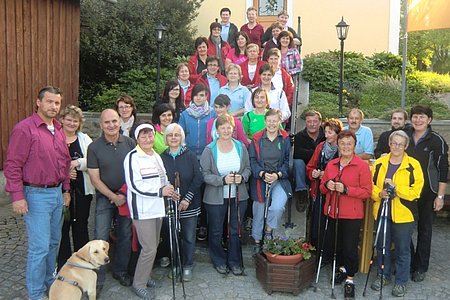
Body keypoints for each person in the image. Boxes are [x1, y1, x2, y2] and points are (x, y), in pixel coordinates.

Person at [4, 86, 71, 300]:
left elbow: (65, 161)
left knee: (53, 244)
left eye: (57, 103)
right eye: (49, 102)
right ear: (38, 102)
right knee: (39, 248)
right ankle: (36, 294)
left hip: (56, 193)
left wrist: (66, 189)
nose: (54, 106)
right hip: (35, 195)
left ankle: (49, 284)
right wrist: (17, 196)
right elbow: (12, 164)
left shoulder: (58, 128)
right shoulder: (25, 129)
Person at [123, 123, 180, 299]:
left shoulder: (155, 155)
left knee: (153, 246)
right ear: (137, 139)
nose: (147, 139)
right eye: (143, 136)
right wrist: (159, 192)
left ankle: (145, 277)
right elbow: (134, 185)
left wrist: (170, 190)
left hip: (157, 208)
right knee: (148, 248)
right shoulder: (132, 157)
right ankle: (138, 284)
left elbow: (163, 178)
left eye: (150, 136)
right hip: (142, 210)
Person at [319, 130, 372, 300]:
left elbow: (367, 192)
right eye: (342, 143)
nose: (346, 146)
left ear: (355, 145)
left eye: (349, 143)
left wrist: (347, 189)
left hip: (352, 213)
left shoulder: (361, 165)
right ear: (338, 145)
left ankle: (350, 279)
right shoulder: (332, 164)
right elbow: (321, 187)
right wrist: (328, 184)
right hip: (333, 211)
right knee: (337, 245)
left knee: (350, 247)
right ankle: (342, 269)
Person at [371, 130, 424, 297]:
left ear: (406, 146)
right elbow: (370, 185)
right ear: (389, 144)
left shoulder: (413, 165)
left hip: (404, 214)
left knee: (402, 249)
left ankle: (401, 282)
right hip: (382, 210)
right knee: (382, 246)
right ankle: (383, 275)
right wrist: (379, 193)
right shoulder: (379, 163)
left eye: (400, 144)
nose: (396, 147)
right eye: (394, 143)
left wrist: (396, 188)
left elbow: (416, 192)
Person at [87, 109, 136, 291]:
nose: (111, 125)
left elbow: (135, 171)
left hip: (126, 196)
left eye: (114, 121)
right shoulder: (94, 147)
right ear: (101, 125)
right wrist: (113, 197)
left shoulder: (130, 143)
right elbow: (94, 178)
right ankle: (97, 279)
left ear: (119, 122)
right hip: (104, 197)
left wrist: (122, 195)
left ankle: (120, 270)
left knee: (125, 235)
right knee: (100, 237)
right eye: (107, 122)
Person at [200, 115, 251, 275]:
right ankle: (219, 260)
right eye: (223, 128)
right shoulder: (209, 149)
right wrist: (222, 180)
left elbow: (248, 169)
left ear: (233, 128)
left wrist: (241, 177)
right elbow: (204, 174)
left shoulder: (240, 146)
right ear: (217, 130)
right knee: (216, 229)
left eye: (229, 127)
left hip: (238, 195)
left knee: (235, 229)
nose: (226, 130)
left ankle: (234, 262)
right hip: (216, 197)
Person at [405, 105, 448, 282]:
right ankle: (407, 262)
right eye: (415, 116)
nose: (418, 120)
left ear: (429, 120)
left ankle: (420, 267)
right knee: (403, 229)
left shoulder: (436, 140)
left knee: (424, 230)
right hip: (405, 191)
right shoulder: (404, 135)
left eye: (422, 117)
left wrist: (440, 196)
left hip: (428, 192)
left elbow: (443, 169)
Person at [160, 124, 204, 281]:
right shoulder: (161, 157)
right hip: (170, 204)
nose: (173, 137)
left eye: (176, 135)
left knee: (189, 237)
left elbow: (198, 178)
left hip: (189, 204)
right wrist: (168, 192)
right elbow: (159, 180)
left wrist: (187, 198)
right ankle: (175, 264)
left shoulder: (190, 155)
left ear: (181, 138)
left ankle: (187, 265)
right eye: (170, 135)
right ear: (165, 138)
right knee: (172, 236)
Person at [249, 109, 292, 256]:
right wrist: (261, 173)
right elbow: (252, 160)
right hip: (261, 178)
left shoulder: (285, 138)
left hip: (279, 179)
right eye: (269, 121)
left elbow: (288, 161)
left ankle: (268, 232)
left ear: (280, 122)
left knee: (277, 207)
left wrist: (278, 174)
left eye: (275, 121)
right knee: (259, 211)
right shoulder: (257, 138)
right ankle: (256, 240)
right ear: (265, 121)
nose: (272, 124)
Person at [57, 105, 95, 270]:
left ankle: (83, 264)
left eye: (75, 121)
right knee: (62, 228)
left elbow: (93, 160)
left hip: (82, 191)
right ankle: (63, 264)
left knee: (80, 226)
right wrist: (65, 171)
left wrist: (76, 163)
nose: (72, 123)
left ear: (79, 123)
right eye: (69, 120)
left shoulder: (84, 139)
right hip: (59, 191)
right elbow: (49, 162)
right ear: (62, 120)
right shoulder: (55, 137)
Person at [306, 118, 342, 249]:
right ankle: (317, 248)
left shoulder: (342, 148)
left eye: (330, 132)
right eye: (326, 132)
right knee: (318, 221)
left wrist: (325, 176)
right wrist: (313, 173)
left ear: (337, 134)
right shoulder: (320, 147)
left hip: (335, 191)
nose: (327, 135)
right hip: (320, 189)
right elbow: (310, 166)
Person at [293, 111, 325, 212]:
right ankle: (301, 193)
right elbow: (297, 153)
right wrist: (317, 153)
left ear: (320, 122)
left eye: (315, 121)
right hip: (305, 168)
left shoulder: (326, 134)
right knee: (297, 162)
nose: (312, 124)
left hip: (323, 167)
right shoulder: (299, 136)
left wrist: (308, 153)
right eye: (309, 121)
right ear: (305, 123)